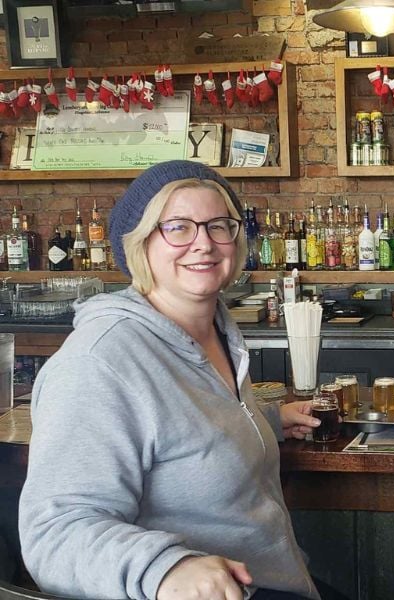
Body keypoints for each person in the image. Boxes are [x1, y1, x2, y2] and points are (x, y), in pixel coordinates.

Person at [19, 161, 323, 600]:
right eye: (178, 227)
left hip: (276, 578)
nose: (203, 244)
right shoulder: (98, 362)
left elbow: (186, 434)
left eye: (219, 226)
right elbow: (56, 533)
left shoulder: (216, 332)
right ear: (140, 243)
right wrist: (165, 569)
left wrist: (269, 420)